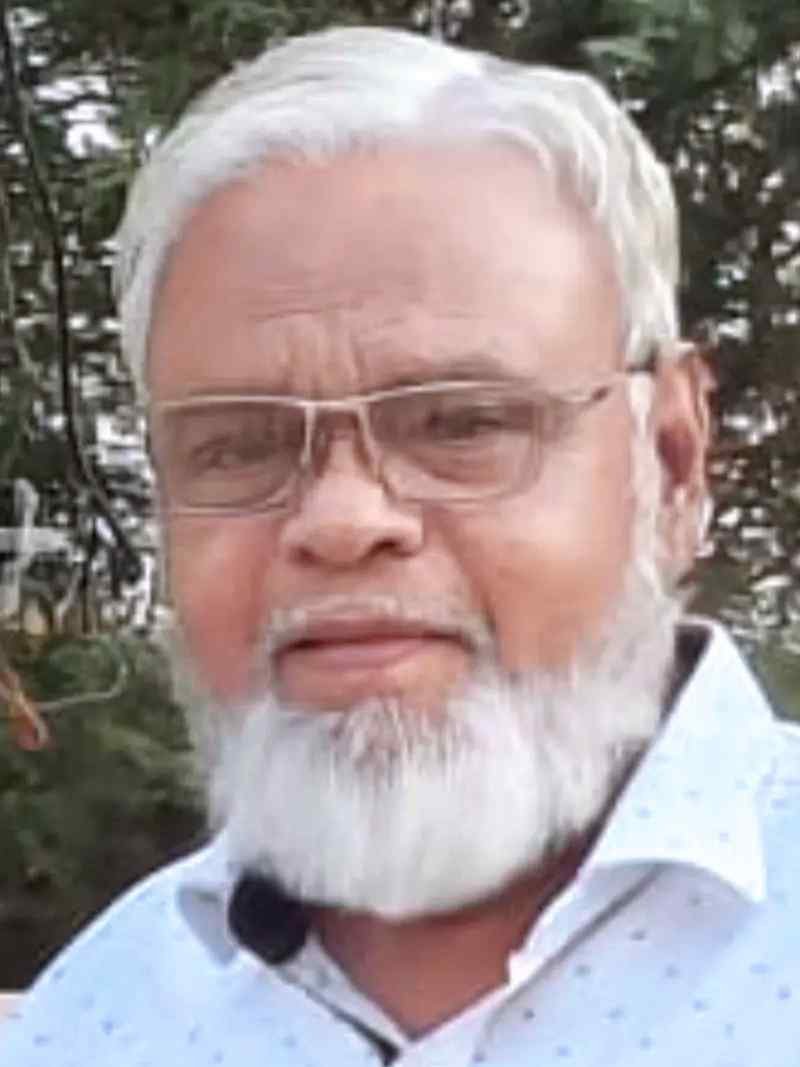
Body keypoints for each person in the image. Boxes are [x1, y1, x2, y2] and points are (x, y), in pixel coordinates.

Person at [5, 25, 800, 1067]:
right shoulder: (97, 1019)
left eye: (460, 424)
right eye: (238, 446)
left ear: (673, 460)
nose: (341, 520)